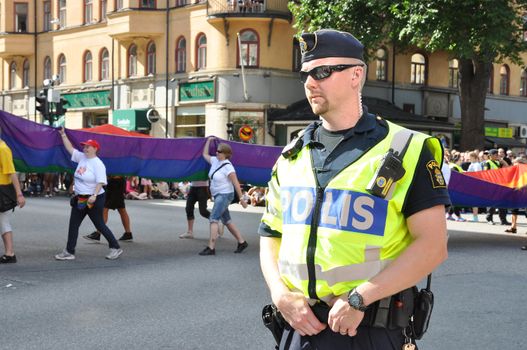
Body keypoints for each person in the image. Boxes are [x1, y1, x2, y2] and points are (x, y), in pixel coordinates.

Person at [259, 29, 449, 350]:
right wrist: (280, 295)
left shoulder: (406, 149)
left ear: (356, 75)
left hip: (367, 329)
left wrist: (362, 297)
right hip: (298, 326)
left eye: (322, 72)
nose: (310, 83)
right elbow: (270, 235)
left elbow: (432, 245)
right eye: (305, 74)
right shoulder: (292, 153)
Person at [55, 128, 123, 260]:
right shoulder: (82, 157)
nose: (85, 148)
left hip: (94, 198)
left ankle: (115, 247)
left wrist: (94, 196)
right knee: (73, 224)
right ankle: (69, 251)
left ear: (95, 149)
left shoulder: (98, 164)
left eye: (88, 147)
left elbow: (101, 181)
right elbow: (70, 149)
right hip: (81, 198)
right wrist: (63, 135)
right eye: (85, 146)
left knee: (99, 224)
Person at [198, 137, 249, 255]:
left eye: (220, 151)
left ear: (226, 154)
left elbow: (236, 183)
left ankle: (211, 247)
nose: (217, 152)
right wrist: (208, 141)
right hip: (218, 195)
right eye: (217, 150)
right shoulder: (215, 160)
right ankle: (242, 242)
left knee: (213, 218)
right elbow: (204, 154)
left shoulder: (228, 166)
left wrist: (242, 199)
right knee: (227, 220)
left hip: (225, 195)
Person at [83, 175, 134, 243]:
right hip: (116, 182)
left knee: (105, 208)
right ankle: (128, 234)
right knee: (121, 209)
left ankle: (98, 233)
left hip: (116, 182)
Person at [0, 136, 25, 263]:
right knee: (3, 222)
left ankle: (10, 253)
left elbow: (12, 172)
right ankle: (9, 253)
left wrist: (19, 194)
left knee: (3, 221)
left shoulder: (3, 149)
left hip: (2, 190)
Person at [484, 149, 510, 225]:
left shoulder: (498, 162)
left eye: (497, 154)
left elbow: (507, 167)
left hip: (499, 185)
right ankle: (489, 218)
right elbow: (485, 173)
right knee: (492, 203)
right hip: (491, 185)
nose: (497, 156)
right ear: (490, 156)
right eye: (495, 154)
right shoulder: (487, 163)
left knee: (502, 202)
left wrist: (502, 161)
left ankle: (503, 220)